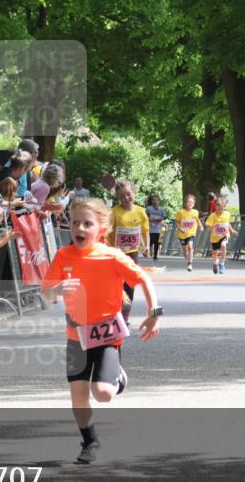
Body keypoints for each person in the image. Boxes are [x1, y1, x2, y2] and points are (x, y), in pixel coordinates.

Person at [41, 197, 161, 464]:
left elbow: (143, 279)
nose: (80, 229)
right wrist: (58, 290)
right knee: (79, 394)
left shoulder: (111, 256)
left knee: (103, 394)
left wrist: (154, 314)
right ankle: (90, 441)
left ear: (101, 229)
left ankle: (116, 375)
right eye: (74, 223)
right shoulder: (63, 256)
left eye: (87, 224)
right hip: (76, 337)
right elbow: (46, 294)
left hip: (107, 335)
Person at [108, 181, 149, 321]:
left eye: (128, 194)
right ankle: (115, 313)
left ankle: (124, 317)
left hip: (132, 254)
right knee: (116, 285)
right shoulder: (114, 212)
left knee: (130, 285)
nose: (126, 198)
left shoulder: (141, 212)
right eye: (121, 196)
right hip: (117, 255)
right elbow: (107, 232)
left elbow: (145, 231)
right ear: (118, 198)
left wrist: (147, 246)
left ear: (134, 193)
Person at [205, 197, 238, 274]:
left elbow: (227, 223)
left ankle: (222, 264)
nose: (219, 209)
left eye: (221, 208)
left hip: (224, 234)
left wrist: (232, 230)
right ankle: (214, 263)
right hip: (215, 237)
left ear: (224, 207)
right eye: (217, 207)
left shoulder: (227, 214)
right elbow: (207, 225)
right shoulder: (212, 216)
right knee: (214, 253)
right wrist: (213, 227)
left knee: (223, 246)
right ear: (215, 207)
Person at [173, 194, 200, 271]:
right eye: (188, 202)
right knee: (185, 249)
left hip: (191, 233)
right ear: (185, 203)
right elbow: (177, 222)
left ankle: (190, 264)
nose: (190, 203)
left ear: (194, 204)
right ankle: (185, 254)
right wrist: (180, 229)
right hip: (182, 234)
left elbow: (197, 220)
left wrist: (201, 226)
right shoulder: (181, 212)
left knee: (190, 247)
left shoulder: (195, 212)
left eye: (191, 202)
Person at [145, 195, 165, 260]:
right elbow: (145, 217)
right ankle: (148, 251)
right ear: (151, 201)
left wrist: (159, 220)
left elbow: (163, 218)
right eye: (153, 200)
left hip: (158, 228)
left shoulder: (162, 209)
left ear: (159, 201)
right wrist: (150, 219)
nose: (155, 201)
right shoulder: (148, 208)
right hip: (150, 228)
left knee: (157, 242)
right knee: (151, 241)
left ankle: (155, 255)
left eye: (156, 200)